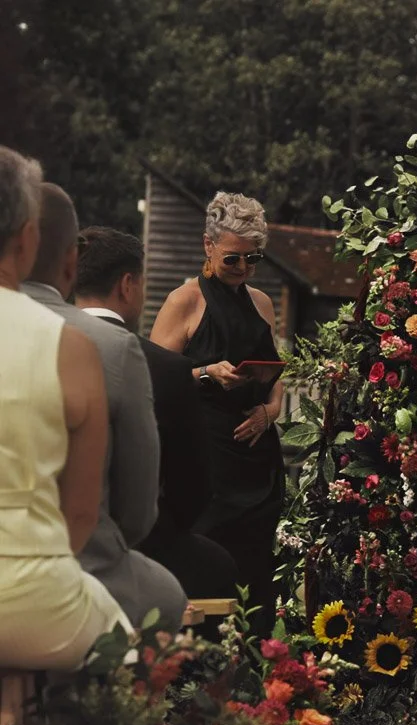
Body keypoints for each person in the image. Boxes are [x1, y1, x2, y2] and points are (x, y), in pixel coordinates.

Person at [21, 184, 185, 629]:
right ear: (71, 263)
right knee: (168, 599)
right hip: (69, 567)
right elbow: (136, 510)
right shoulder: (111, 348)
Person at [0, 147, 130, 668]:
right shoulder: (73, 348)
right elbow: (80, 513)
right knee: (135, 664)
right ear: (28, 236)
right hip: (35, 597)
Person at [76, 227, 240, 600]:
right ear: (128, 285)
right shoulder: (165, 368)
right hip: (133, 542)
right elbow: (193, 487)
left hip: (43, 537)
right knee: (220, 568)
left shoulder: (40, 344)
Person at [150, 193, 285, 637]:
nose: (244, 269)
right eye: (233, 260)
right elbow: (154, 377)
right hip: (209, 462)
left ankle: (257, 683)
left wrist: (269, 412)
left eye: (253, 260)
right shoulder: (183, 301)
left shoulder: (263, 303)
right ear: (208, 246)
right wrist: (206, 372)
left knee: (258, 578)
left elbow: (277, 377)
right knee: (210, 577)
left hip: (258, 461)